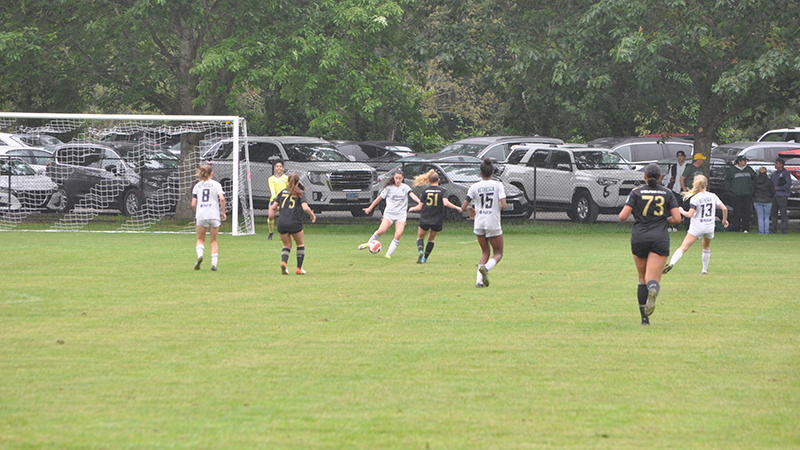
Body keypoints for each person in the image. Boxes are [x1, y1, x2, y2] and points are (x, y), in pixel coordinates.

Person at [619, 163, 681, 325]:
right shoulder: (667, 193)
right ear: (660, 177)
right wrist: (661, 220)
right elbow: (677, 219)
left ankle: (644, 319)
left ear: (644, 177)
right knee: (652, 278)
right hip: (659, 237)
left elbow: (623, 216)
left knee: (641, 278)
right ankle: (653, 288)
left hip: (640, 237)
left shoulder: (636, 192)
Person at [663, 174, 728, 275]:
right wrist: (724, 221)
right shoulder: (713, 196)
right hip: (709, 227)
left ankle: (671, 263)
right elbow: (724, 208)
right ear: (706, 184)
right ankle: (704, 270)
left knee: (683, 247)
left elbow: (690, 214)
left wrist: (681, 211)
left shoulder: (695, 198)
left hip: (697, 227)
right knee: (706, 247)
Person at [461, 158, 507, 288]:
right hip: (492, 222)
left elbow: (463, 206)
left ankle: (479, 282)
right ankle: (486, 269)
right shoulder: (498, 185)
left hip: (479, 222)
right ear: (492, 172)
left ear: (480, 173)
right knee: (498, 253)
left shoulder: (474, 186)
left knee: (485, 252)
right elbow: (503, 205)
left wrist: (471, 210)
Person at [359, 169, 421, 258]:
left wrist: (419, 202)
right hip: (389, 214)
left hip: (401, 215)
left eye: (400, 178)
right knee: (381, 231)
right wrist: (370, 208)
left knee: (398, 233)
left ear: (402, 178)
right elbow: (378, 198)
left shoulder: (405, 187)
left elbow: (412, 195)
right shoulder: (388, 188)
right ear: (394, 178)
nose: (398, 180)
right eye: (396, 178)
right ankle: (369, 244)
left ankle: (388, 254)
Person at [407, 169, 463, 263]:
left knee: (420, 237)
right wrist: (457, 207)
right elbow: (446, 203)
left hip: (425, 217)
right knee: (431, 239)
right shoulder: (443, 191)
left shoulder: (425, 191)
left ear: (429, 180)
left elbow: (420, 207)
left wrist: (413, 208)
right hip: (437, 219)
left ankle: (420, 251)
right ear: (439, 180)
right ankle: (425, 258)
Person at [268, 172, 316, 274]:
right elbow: (305, 207)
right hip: (294, 222)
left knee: (287, 245)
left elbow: (273, 207)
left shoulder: (282, 192)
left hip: (282, 223)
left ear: (287, 181)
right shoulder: (300, 193)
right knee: (300, 244)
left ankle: (284, 263)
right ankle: (299, 268)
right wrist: (312, 214)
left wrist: (281, 208)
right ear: (298, 182)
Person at [192, 164, 227, 271]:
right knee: (213, 241)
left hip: (202, 214)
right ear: (212, 173)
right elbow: (221, 198)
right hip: (214, 215)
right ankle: (214, 264)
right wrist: (223, 212)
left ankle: (200, 255)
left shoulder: (197, 186)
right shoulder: (216, 184)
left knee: (200, 239)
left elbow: (193, 204)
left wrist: (198, 212)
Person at [724, 155, 756, 233]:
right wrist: (731, 190)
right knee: (736, 212)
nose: (745, 162)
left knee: (746, 212)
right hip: (736, 195)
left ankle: (745, 228)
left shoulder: (749, 169)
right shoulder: (732, 170)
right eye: (743, 161)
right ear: (739, 161)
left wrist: (751, 189)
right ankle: (736, 228)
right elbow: (726, 180)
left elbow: (755, 178)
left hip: (747, 194)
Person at [680, 153, 706, 231]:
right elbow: (682, 178)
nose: (703, 161)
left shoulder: (701, 169)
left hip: (699, 192)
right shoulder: (690, 168)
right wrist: (685, 190)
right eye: (702, 159)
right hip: (690, 191)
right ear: (698, 160)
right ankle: (688, 226)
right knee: (690, 209)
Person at [667, 150, 689, 232]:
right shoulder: (674, 167)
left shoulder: (687, 166)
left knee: (682, 208)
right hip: (675, 189)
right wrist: (670, 180)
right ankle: (669, 226)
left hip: (683, 190)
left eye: (681, 156)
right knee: (672, 207)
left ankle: (676, 226)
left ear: (684, 157)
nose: (679, 157)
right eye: (678, 156)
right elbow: (669, 176)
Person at [770, 158, 793, 235]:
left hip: (782, 196)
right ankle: (773, 229)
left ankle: (784, 230)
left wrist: (779, 188)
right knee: (773, 214)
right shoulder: (774, 174)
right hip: (774, 196)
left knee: (783, 214)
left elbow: (788, 184)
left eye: (777, 163)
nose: (775, 165)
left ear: (781, 164)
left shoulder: (786, 174)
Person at [267, 159, 288, 241]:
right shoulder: (271, 179)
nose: (279, 168)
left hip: (284, 200)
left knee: (286, 218)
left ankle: (287, 233)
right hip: (274, 200)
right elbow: (272, 189)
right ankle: (270, 233)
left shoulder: (286, 178)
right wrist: (275, 198)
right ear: (275, 168)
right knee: (270, 217)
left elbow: (289, 189)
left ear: (282, 168)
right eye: (277, 166)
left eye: (280, 166)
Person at [751, 166, 775, 235]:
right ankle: (766, 231)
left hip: (757, 200)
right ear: (766, 172)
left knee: (760, 217)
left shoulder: (755, 181)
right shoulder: (769, 181)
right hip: (767, 200)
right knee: (766, 217)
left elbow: (752, 191)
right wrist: (770, 196)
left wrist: (754, 197)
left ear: (759, 172)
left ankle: (761, 231)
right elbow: (773, 191)